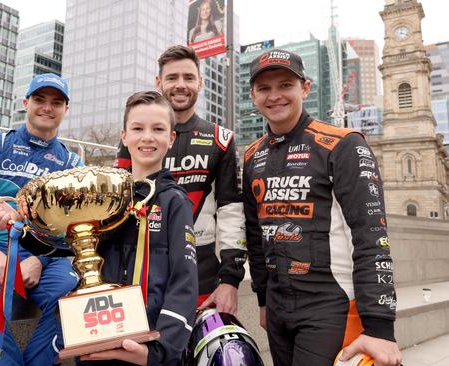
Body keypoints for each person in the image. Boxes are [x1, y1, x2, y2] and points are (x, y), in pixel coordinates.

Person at [242, 49, 402, 366]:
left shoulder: (344, 144)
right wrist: (262, 300)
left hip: (332, 305)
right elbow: (254, 233)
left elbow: (372, 237)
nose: (274, 96)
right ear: (253, 95)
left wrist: (381, 326)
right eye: (264, 88)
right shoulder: (251, 156)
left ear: (305, 88)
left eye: (285, 84)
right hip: (276, 309)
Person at [0, 73, 82, 366]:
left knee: (78, 297)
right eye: (39, 99)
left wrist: (41, 258)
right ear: (26, 102)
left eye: (56, 102)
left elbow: (70, 230)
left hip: (45, 255)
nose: (47, 107)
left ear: (66, 109)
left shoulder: (73, 165)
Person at [115, 45, 246, 315]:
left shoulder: (221, 140)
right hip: (142, 271)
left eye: (188, 77)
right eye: (172, 77)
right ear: (158, 82)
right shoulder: (134, 137)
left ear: (201, 82)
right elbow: (119, 203)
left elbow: (231, 212)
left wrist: (230, 280)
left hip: (203, 275)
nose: (180, 85)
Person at [80, 91, 198, 365]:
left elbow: (185, 282)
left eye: (158, 129)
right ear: (124, 136)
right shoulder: (103, 200)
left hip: (147, 348)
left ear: (171, 138)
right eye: (137, 128)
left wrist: (156, 352)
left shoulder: (175, 202)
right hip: (99, 338)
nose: (147, 137)